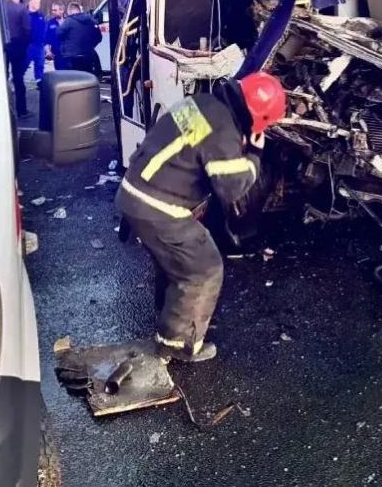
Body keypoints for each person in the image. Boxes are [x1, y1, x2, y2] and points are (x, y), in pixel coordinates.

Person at [115, 73, 286, 362]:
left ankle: (170, 317)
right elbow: (232, 189)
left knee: (174, 263)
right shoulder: (224, 131)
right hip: (159, 207)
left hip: (134, 191)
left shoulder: (201, 103)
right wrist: (255, 155)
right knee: (203, 270)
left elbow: (194, 147)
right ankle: (177, 345)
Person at [3, 0, 32, 118]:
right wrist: (25, 45)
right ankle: (21, 110)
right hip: (17, 45)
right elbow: (27, 29)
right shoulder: (21, 9)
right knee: (18, 78)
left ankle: (3, 109)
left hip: (0, 45)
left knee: (1, 77)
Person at [57, 1, 102, 76]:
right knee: (87, 78)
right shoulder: (91, 21)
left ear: (70, 11)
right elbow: (98, 37)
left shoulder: (68, 21)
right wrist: (90, 46)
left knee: (74, 81)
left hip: (71, 57)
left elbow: (58, 34)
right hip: (88, 56)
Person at [26, 0, 46, 84]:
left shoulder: (41, 16)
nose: (39, 5)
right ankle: (15, 80)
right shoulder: (25, 15)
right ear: (31, 3)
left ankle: (39, 82)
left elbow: (44, 29)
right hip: (28, 44)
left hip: (40, 45)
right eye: (37, 3)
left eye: (39, 3)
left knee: (40, 65)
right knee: (24, 64)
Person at [46, 1, 66, 71]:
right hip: (57, 56)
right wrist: (48, 51)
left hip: (70, 55)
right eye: (52, 10)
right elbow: (46, 39)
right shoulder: (50, 23)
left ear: (62, 10)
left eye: (55, 10)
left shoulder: (69, 21)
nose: (53, 12)